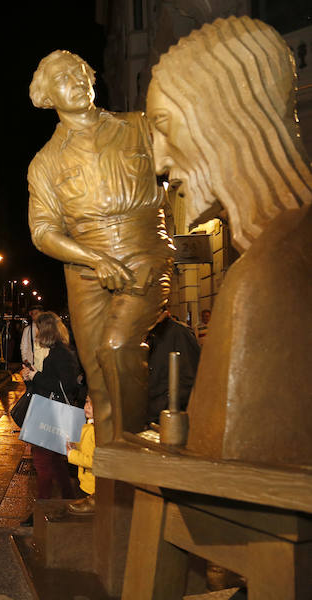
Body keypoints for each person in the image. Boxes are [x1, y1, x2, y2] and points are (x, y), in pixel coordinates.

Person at [146, 16, 312, 464]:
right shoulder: (290, 244)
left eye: (164, 123)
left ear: (222, 117)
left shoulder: (262, 278)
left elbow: (234, 464)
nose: (160, 159)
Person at [27, 50, 173, 445]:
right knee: (97, 374)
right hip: (84, 270)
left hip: (141, 249)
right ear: (46, 96)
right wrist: (93, 258)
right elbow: (42, 230)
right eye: (61, 77)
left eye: (80, 72)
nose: (74, 80)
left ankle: (132, 459)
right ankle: (109, 487)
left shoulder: (137, 127)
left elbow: (182, 162)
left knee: (116, 348)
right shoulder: (45, 161)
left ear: (92, 79)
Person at [20, 312, 79, 512]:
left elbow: (67, 385)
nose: (34, 332)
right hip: (49, 410)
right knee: (54, 462)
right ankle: (68, 499)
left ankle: (41, 509)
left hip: (52, 413)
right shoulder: (56, 351)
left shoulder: (61, 353)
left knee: (43, 463)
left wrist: (36, 376)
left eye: (37, 328)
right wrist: (31, 377)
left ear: (44, 330)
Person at [146, 309, 200, 424]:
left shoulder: (178, 333)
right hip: (151, 415)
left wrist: (167, 408)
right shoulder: (148, 334)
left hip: (167, 419)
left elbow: (191, 379)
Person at [66, 395, 95, 514]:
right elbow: (86, 447)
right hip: (85, 481)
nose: (87, 406)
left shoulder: (96, 431)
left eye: (93, 404)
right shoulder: (88, 426)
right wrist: (73, 445)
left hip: (92, 487)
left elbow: (96, 461)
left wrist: (71, 454)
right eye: (87, 402)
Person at [19, 304, 43, 369]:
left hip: (44, 363)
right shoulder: (28, 329)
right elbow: (23, 346)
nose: (35, 316)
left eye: (37, 313)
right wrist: (25, 359)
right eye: (33, 314)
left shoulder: (45, 328)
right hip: (31, 363)